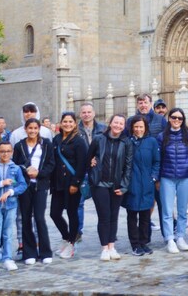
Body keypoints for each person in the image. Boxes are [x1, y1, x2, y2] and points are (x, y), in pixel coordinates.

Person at [87, 114, 133, 261]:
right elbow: (88, 158)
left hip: (117, 184)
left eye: (121, 124)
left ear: (124, 126)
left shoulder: (126, 142)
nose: (118, 126)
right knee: (104, 215)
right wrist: (92, 168)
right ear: (110, 123)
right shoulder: (98, 139)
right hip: (100, 184)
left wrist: (124, 186)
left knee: (114, 216)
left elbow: (128, 166)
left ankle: (112, 246)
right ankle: (104, 248)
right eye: (116, 122)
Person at [13, 118, 55, 265]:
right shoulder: (19, 146)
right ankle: (29, 252)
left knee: (39, 217)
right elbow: (16, 165)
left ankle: (45, 251)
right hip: (25, 185)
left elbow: (51, 163)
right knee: (25, 218)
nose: (32, 131)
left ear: (39, 129)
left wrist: (40, 173)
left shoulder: (46, 144)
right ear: (26, 129)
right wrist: (26, 170)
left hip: (40, 185)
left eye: (35, 128)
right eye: (30, 128)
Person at [0, 141, 27, 274]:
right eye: (2, 151)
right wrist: (1, 183)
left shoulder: (16, 168)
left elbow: (22, 185)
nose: (5, 154)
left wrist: (11, 192)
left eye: (8, 151)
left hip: (11, 205)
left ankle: (7, 258)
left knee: (8, 233)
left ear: (12, 152)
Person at [158, 107, 188, 254]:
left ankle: (180, 237)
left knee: (182, 210)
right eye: (174, 117)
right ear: (169, 119)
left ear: (183, 120)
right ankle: (169, 238)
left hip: (184, 177)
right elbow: (159, 157)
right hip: (167, 177)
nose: (176, 120)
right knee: (167, 210)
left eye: (180, 118)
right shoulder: (162, 137)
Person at [50, 112, 88, 260]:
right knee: (54, 213)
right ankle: (66, 238)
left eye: (70, 122)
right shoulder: (57, 139)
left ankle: (72, 243)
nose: (67, 124)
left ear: (74, 123)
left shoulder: (79, 141)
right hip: (58, 183)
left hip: (72, 183)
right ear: (61, 123)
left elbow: (82, 164)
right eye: (65, 121)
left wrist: (75, 183)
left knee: (72, 214)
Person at [123, 114, 160, 256]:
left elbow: (157, 161)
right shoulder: (127, 142)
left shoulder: (152, 142)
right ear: (132, 128)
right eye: (136, 127)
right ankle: (135, 244)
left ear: (145, 128)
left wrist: (154, 177)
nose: (138, 129)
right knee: (132, 215)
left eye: (141, 127)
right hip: (132, 183)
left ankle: (144, 242)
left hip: (147, 183)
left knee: (145, 215)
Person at [76, 102, 106, 242]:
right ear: (80, 114)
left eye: (89, 112)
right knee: (79, 202)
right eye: (84, 112)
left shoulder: (103, 129)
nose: (86, 114)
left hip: (98, 170)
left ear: (94, 113)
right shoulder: (75, 130)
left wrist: (97, 159)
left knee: (101, 202)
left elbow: (108, 149)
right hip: (81, 170)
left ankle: (106, 230)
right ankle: (77, 231)